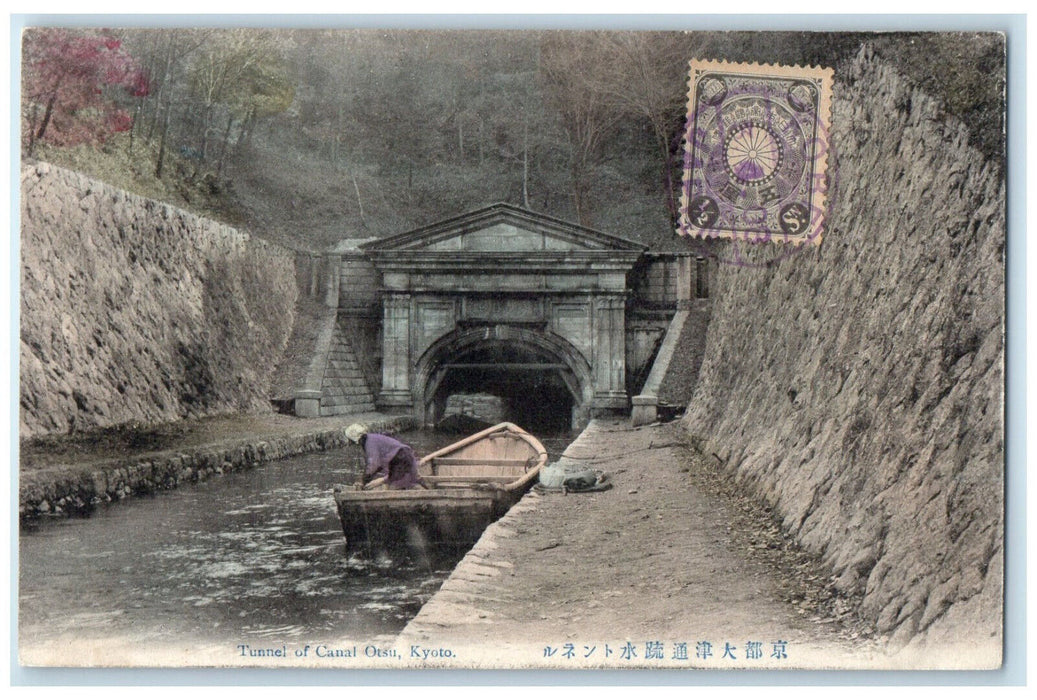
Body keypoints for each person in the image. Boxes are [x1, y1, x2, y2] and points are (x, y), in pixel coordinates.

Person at [345, 424, 426, 490]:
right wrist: (367, 479)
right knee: (407, 480)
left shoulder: (369, 443)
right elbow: (378, 465)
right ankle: (424, 490)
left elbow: (373, 464)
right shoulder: (372, 438)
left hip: (401, 457)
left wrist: (365, 480)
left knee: (395, 483)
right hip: (405, 455)